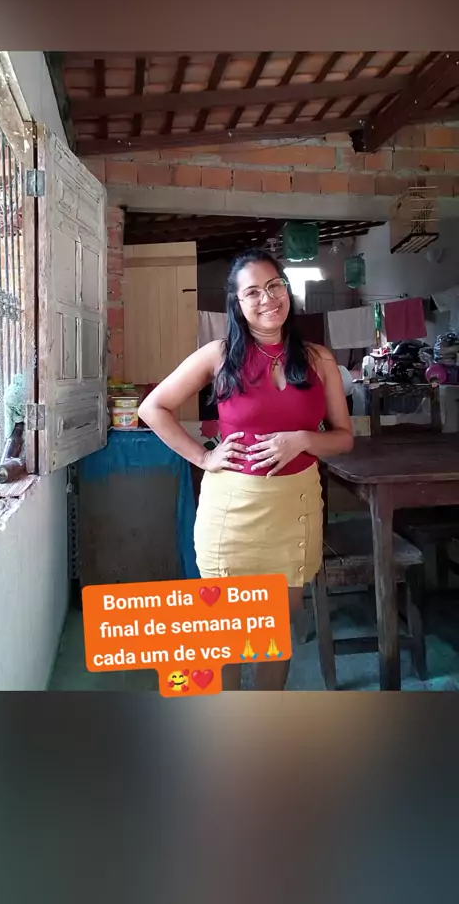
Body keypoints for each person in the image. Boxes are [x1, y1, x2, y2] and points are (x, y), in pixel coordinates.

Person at [139, 249, 353, 690]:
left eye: (274, 286)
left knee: (275, 631)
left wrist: (303, 440)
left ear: (286, 290)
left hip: (294, 510)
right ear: (237, 303)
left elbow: (344, 437)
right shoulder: (219, 355)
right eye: (252, 292)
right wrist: (203, 457)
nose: (267, 299)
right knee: (227, 635)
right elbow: (153, 408)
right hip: (232, 514)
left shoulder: (319, 359)